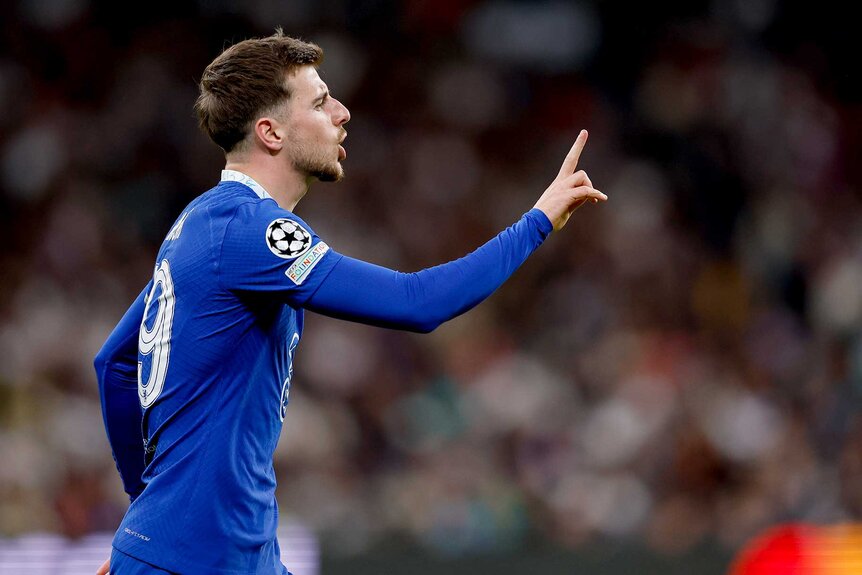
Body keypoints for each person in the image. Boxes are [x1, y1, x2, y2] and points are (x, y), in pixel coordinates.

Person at [93, 30, 606, 575]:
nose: (342, 112)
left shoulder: (201, 225)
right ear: (271, 132)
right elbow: (417, 303)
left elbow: (115, 364)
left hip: (222, 554)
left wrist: (144, 521)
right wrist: (538, 220)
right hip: (196, 561)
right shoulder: (247, 231)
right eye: (318, 102)